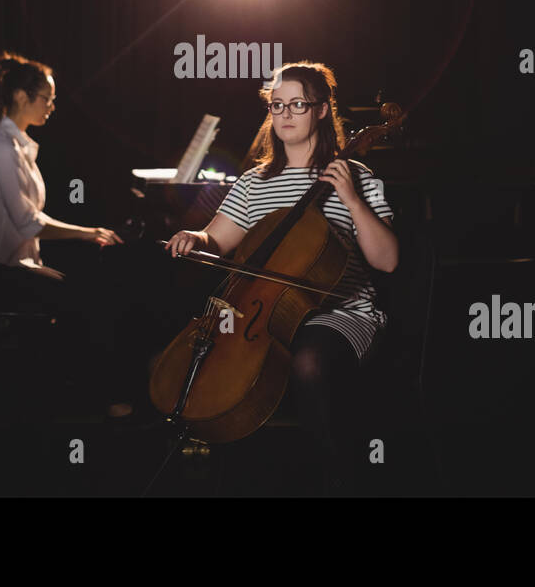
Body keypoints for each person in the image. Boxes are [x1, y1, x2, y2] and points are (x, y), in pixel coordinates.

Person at [165, 61, 398, 493]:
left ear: (322, 110)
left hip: (341, 313)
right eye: (277, 105)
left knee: (309, 361)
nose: (286, 114)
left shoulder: (357, 176)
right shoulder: (255, 182)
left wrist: (350, 197)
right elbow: (216, 237)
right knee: (223, 378)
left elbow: (386, 261)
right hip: (262, 315)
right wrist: (194, 237)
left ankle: (340, 481)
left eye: (298, 104)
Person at [0, 51, 128, 414]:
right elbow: (29, 223)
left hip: (19, 265)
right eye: (47, 98)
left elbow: (29, 221)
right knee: (81, 298)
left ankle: (71, 395)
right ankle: (84, 399)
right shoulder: (3, 148)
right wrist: (89, 233)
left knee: (85, 289)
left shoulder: (19, 147)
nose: (52, 106)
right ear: (23, 97)